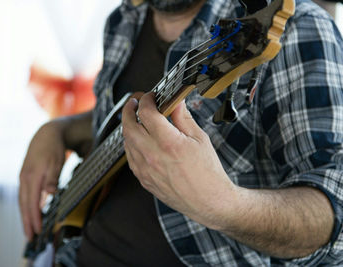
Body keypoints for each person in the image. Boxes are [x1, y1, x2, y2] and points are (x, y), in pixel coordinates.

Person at [19, 0, 343, 265]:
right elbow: (123, 124)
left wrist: (225, 206)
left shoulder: (298, 27)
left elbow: (335, 213)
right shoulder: (123, 19)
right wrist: (58, 130)